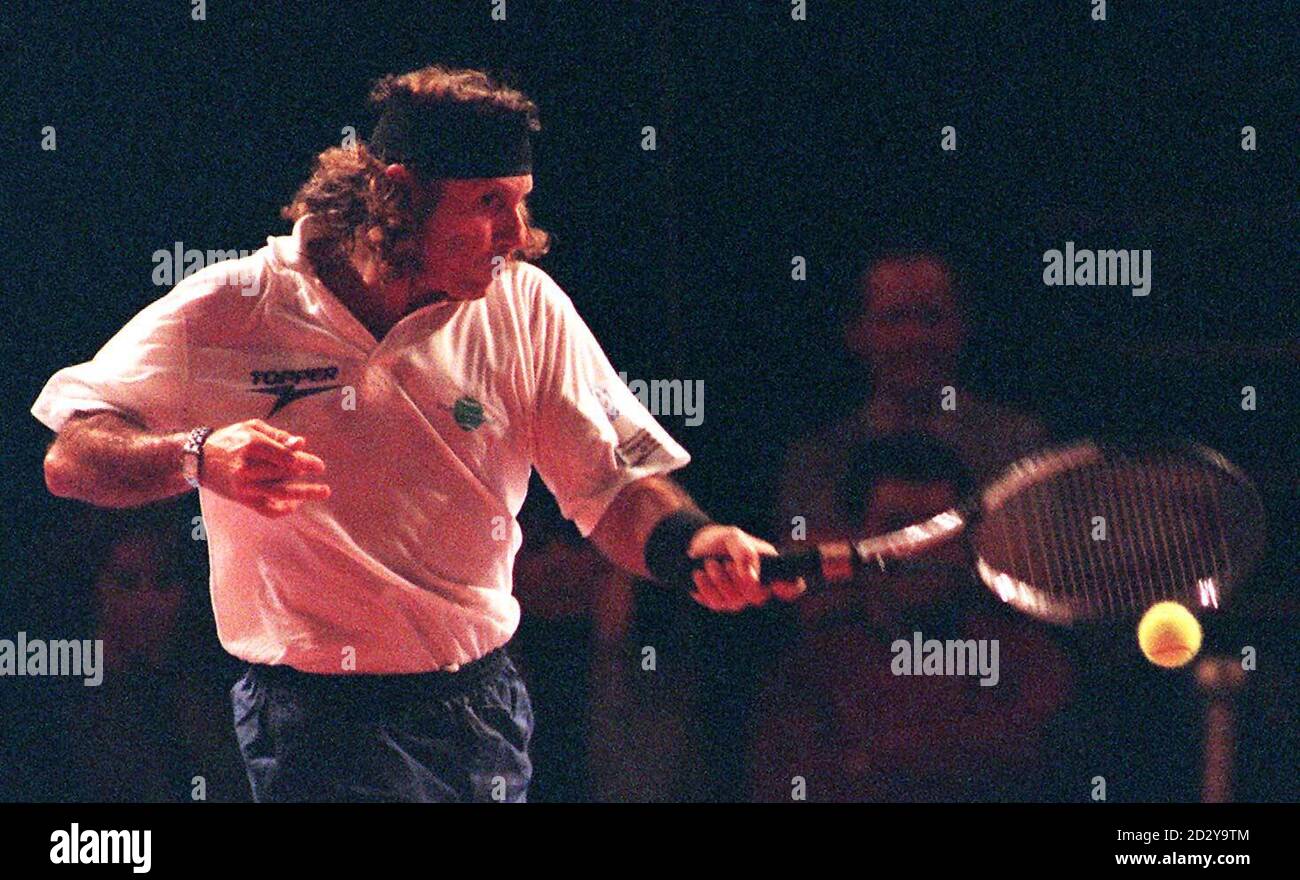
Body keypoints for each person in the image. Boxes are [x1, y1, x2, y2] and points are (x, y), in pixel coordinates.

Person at [33, 64, 802, 803]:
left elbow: (611, 486)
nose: (517, 232)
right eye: (489, 203)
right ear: (399, 195)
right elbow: (71, 458)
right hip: (316, 722)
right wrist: (198, 456)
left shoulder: (525, 308)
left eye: (521, 202)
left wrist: (694, 544)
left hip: (484, 706)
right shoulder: (237, 304)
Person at [751, 434, 1073, 802]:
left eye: (940, 528)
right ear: (858, 539)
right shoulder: (812, 672)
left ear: (969, 540)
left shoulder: (1030, 662)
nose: (922, 549)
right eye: (898, 525)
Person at [775, 250, 1050, 548]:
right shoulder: (817, 457)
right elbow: (804, 576)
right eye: (895, 318)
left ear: (962, 326)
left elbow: (1036, 562)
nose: (914, 337)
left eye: (931, 318)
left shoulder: (1014, 443)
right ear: (856, 332)